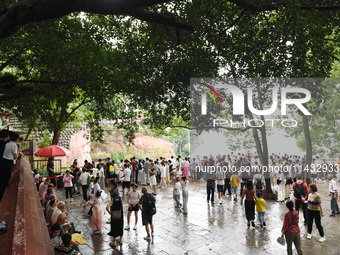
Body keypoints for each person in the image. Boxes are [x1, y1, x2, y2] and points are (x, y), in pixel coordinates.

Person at [0, 131, 19, 202]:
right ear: (17, 139)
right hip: (8, 163)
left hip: (3, 162)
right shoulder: (14, 145)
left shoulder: (7, 144)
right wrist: (18, 150)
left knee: (2, 180)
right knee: (5, 181)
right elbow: (15, 157)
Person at [107, 182, 124, 247]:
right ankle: (120, 239)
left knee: (114, 226)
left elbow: (107, 207)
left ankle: (114, 241)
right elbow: (122, 206)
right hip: (120, 215)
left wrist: (109, 212)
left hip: (114, 215)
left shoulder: (112, 201)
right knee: (120, 225)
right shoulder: (120, 200)